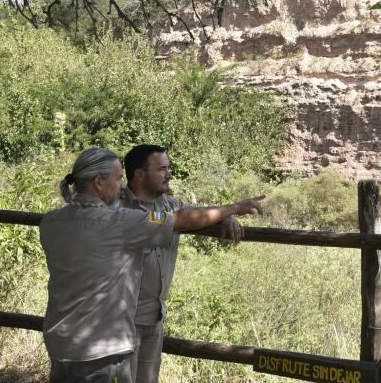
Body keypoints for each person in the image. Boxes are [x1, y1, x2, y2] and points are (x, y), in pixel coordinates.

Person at [40, 147, 263, 383]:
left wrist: (223, 214)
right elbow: (181, 219)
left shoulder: (51, 221)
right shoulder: (118, 220)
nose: (121, 185)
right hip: (102, 348)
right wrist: (235, 207)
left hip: (62, 342)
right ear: (98, 182)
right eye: (117, 179)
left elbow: (186, 212)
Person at [118, 144, 246, 383]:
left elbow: (199, 214)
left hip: (154, 317)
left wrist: (227, 215)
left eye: (169, 168)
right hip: (121, 319)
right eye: (162, 169)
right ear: (140, 174)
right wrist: (236, 207)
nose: (169, 174)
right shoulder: (117, 207)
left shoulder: (168, 205)